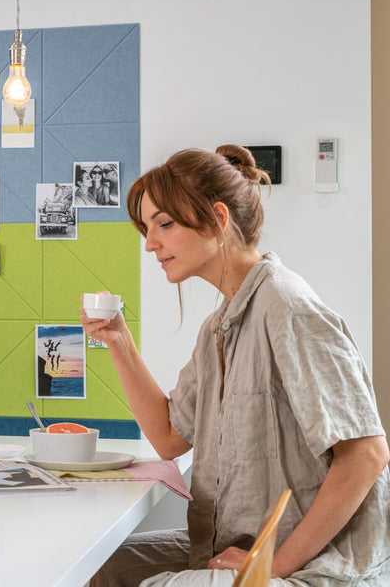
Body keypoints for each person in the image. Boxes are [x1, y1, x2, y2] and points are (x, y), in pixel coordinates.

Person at [81, 144, 390, 587]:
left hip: (321, 567)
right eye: (147, 229)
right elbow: (170, 438)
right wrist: (119, 342)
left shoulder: (287, 308)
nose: (150, 244)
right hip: (234, 545)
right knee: (103, 565)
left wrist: (274, 566)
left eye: (164, 224)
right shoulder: (218, 328)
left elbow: (366, 455)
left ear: (218, 220)